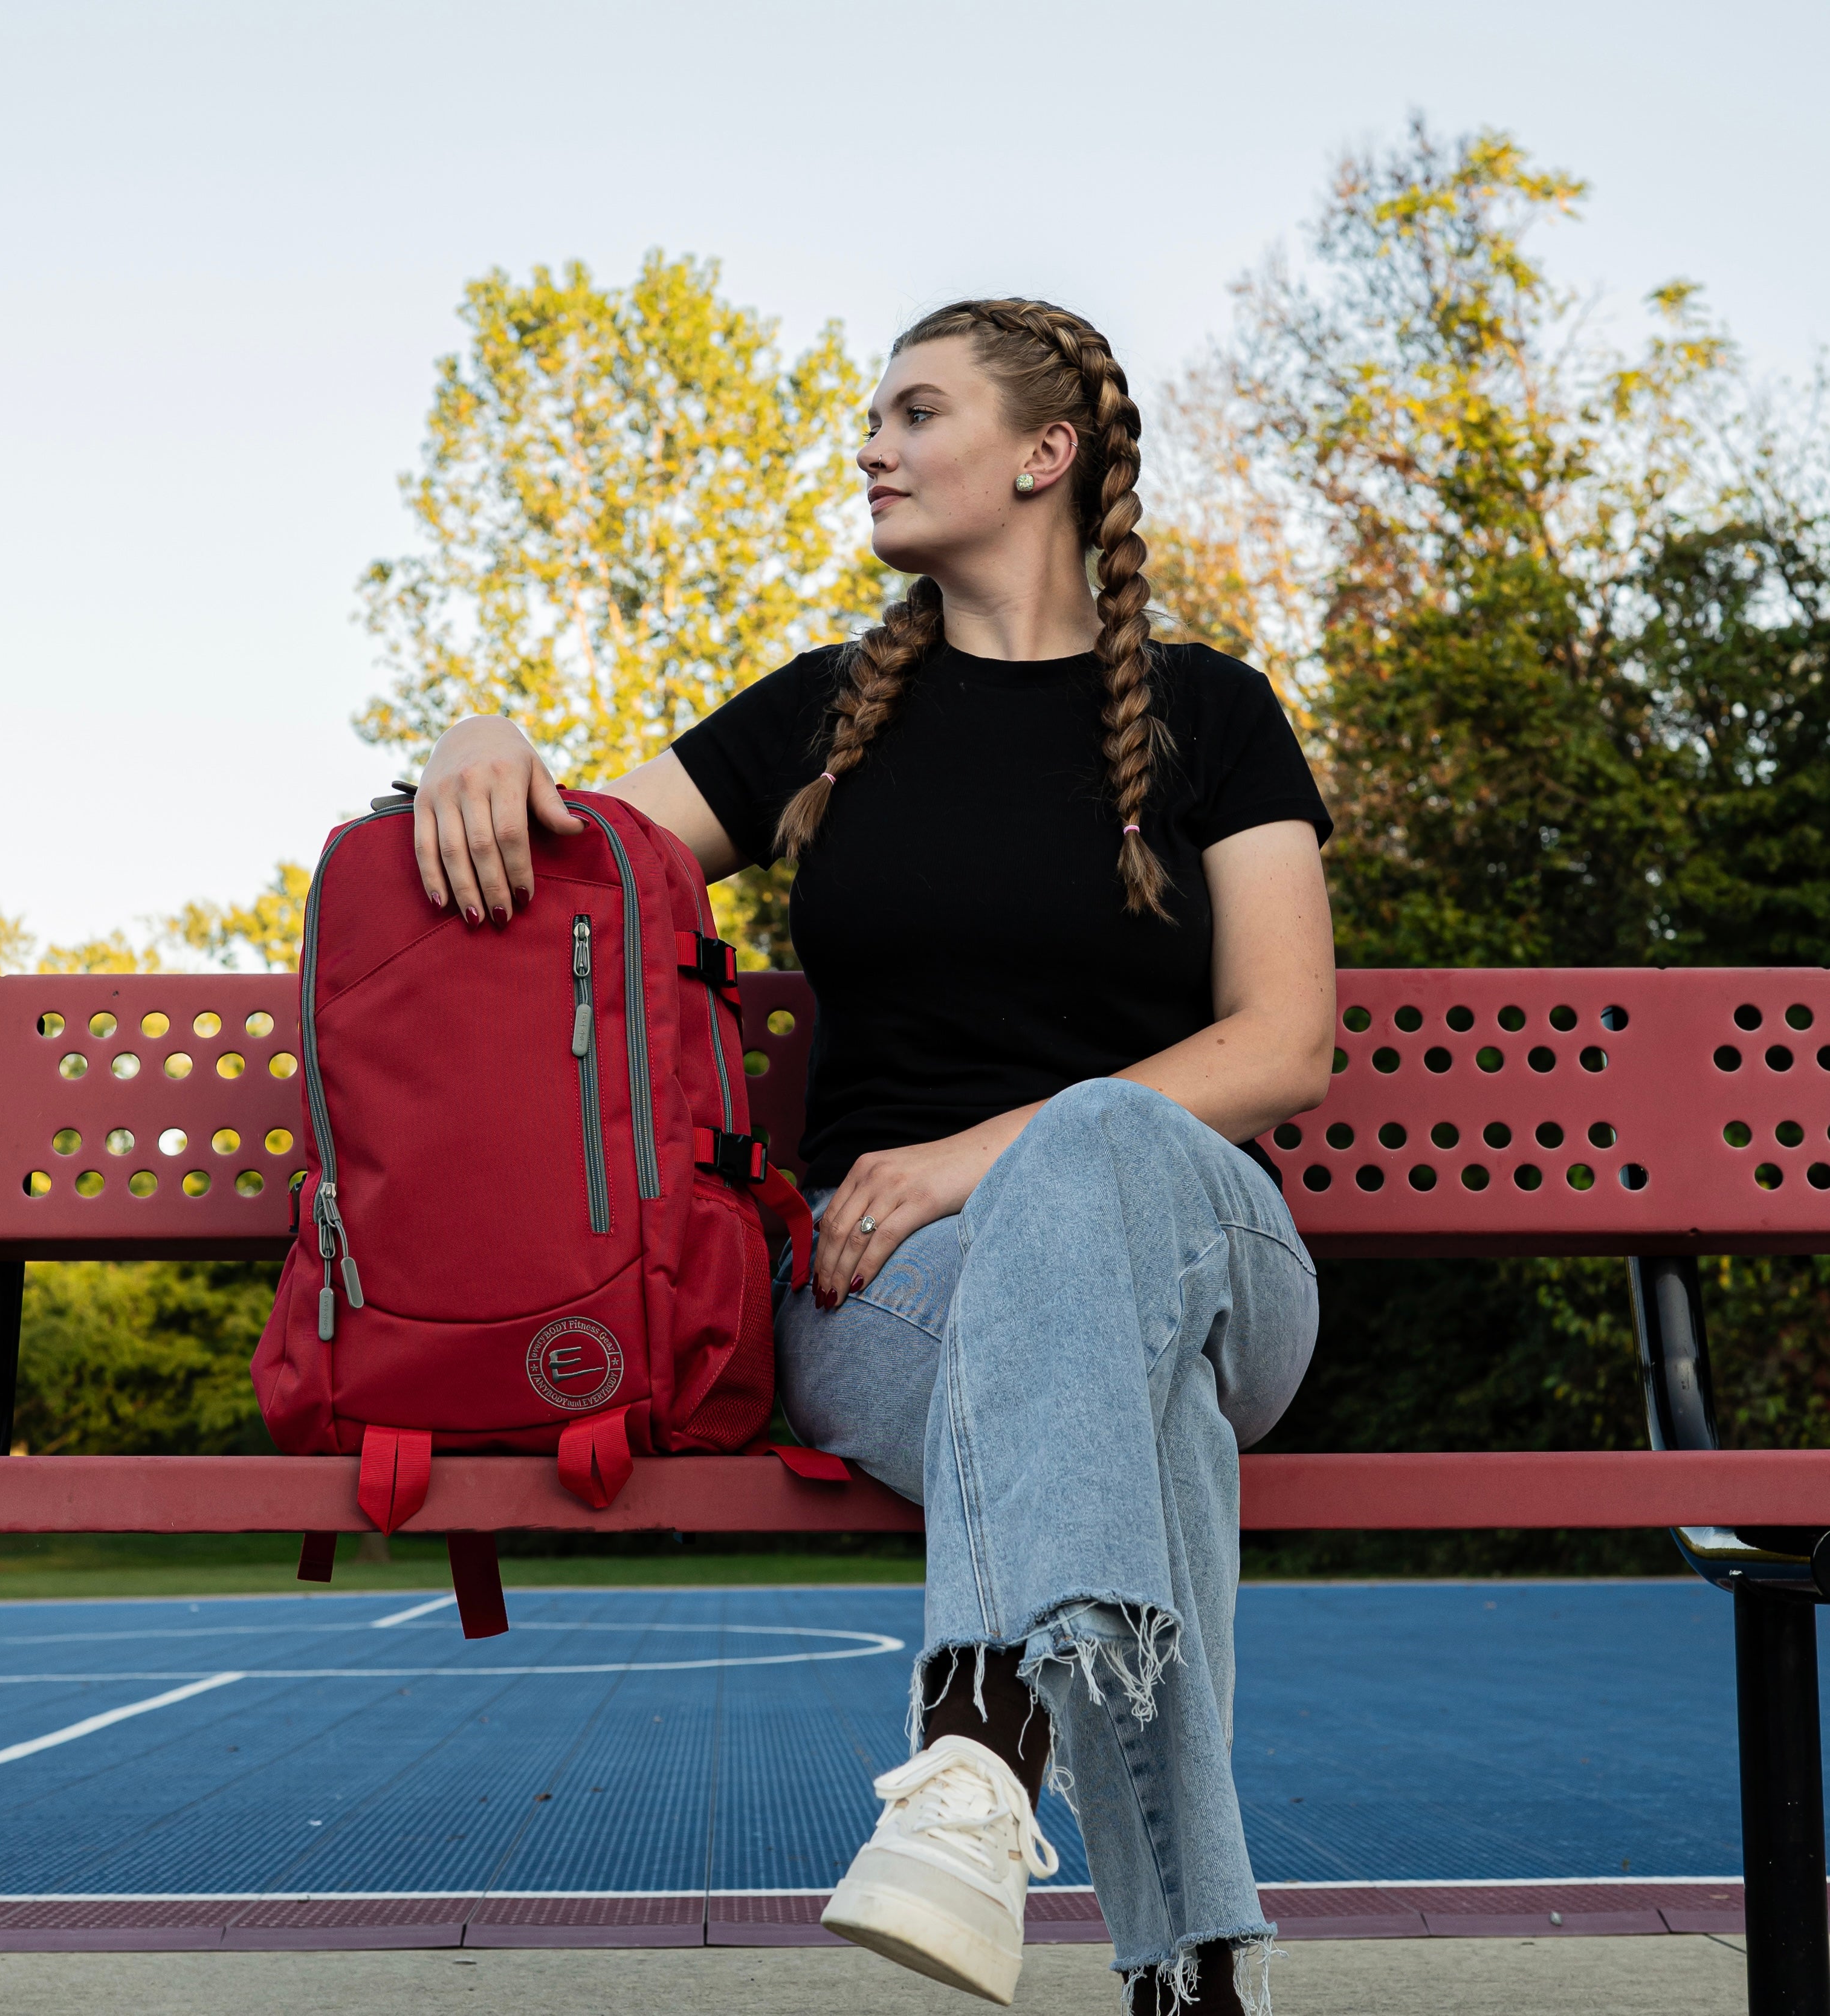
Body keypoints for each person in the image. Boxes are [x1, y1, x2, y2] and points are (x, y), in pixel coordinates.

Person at [410, 298, 1334, 2015]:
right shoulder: (819, 720)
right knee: (1138, 1416)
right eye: (874, 418)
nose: (873, 445)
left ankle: (976, 1755)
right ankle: (1181, 1961)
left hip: (1207, 1256)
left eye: (917, 412)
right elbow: (572, 879)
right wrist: (470, 746)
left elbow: (1279, 1042)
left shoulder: (1216, 714)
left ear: (1044, 455)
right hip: (885, 1291)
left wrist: (987, 1152)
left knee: (1099, 1143)